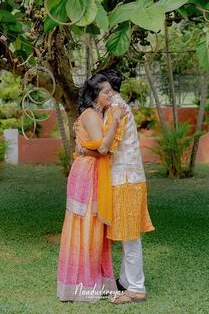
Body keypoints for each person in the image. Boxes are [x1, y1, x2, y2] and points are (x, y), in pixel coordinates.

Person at [77, 68, 155, 304]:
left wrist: (83, 150)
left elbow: (106, 148)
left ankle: (136, 289)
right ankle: (125, 281)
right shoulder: (115, 107)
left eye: (107, 91)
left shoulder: (115, 109)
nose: (106, 96)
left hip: (126, 179)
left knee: (130, 235)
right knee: (125, 233)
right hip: (126, 177)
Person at [57, 73, 128, 303]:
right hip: (87, 174)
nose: (111, 95)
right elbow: (104, 148)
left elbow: (94, 148)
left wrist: (86, 150)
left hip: (93, 169)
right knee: (86, 225)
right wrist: (116, 120)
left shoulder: (99, 114)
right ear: (96, 95)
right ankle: (84, 284)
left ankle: (97, 279)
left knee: (95, 227)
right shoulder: (90, 115)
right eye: (106, 91)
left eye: (110, 91)